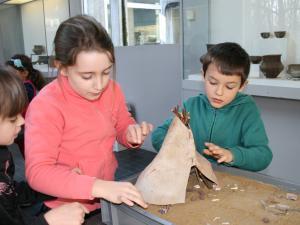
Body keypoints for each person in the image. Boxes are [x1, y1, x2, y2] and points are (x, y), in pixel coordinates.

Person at [25, 15, 152, 216]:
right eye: (87, 76)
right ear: (62, 67)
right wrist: (98, 187)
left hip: (105, 197)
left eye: (106, 72)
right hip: (64, 208)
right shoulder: (46, 106)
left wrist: (130, 133)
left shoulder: (112, 90)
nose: (99, 84)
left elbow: (121, 124)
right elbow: (38, 172)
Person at [152, 42, 273, 172]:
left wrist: (232, 155)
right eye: (213, 82)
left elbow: (263, 155)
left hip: (231, 180)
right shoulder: (192, 106)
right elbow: (158, 135)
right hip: (193, 176)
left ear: (242, 85)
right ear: (203, 75)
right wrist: (178, 148)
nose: (219, 92)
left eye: (229, 87)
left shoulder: (246, 110)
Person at [0, 66, 89, 225]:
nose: (22, 121)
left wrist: (55, 185)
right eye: (13, 118)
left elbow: (11, 192)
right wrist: (48, 221)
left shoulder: (3, 154)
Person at [6, 54, 46, 157]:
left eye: (12, 73)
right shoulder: (24, 86)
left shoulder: (26, 88)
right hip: (24, 128)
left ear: (24, 73)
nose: (9, 76)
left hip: (27, 129)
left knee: (30, 155)